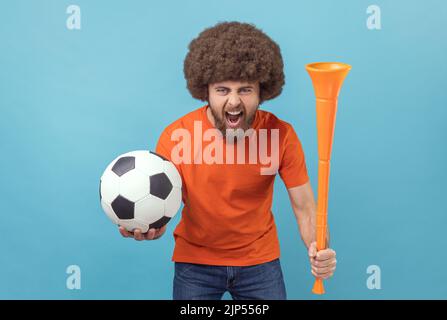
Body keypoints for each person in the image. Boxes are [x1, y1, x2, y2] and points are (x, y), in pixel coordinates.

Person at [119, 21, 337, 300]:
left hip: (260, 264)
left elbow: (306, 210)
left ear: (262, 92)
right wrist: (149, 227)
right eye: (222, 90)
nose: (234, 102)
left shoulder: (281, 135)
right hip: (195, 265)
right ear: (206, 91)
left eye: (245, 89)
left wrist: (319, 249)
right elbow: (162, 208)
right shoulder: (176, 136)